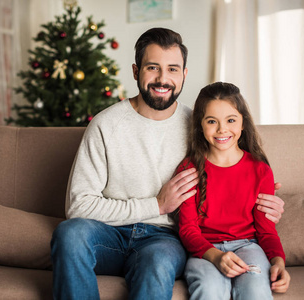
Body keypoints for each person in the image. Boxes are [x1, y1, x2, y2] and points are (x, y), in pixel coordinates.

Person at [50, 27, 285, 300]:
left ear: (184, 74)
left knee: (158, 262)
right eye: (153, 67)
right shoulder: (105, 125)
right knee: (69, 234)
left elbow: (238, 168)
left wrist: (265, 202)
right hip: (108, 235)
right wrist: (156, 205)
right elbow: (78, 206)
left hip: (164, 238)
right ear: (136, 71)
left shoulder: (200, 125)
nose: (163, 79)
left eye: (173, 69)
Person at [177, 82, 290, 300]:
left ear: (243, 124)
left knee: (256, 289)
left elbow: (266, 231)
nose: (222, 129)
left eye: (231, 120)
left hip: (249, 246)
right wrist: (216, 256)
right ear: (200, 126)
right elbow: (188, 230)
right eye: (212, 121)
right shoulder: (188, 169)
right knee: (209, 289)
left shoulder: (260, 170)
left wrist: (278, 262)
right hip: (204, 250)